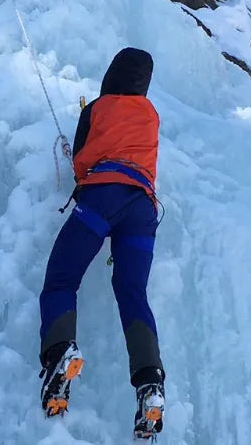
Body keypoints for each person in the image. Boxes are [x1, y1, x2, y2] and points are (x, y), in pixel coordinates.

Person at [38, 47, 165, 440]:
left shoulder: (97, 107)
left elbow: (79, 161)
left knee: (62, 280)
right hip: (142, 208)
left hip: (102, 196)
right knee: (132, 294)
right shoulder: (151, 114)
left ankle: (60, 352)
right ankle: (150, 384)